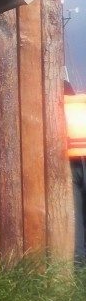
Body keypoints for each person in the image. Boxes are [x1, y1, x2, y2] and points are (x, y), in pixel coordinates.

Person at [64, 82, 86, 261]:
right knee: (76, 222)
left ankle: (79, 272)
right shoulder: (63, 85)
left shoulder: (59, 85)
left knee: (76, 222)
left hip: (69, 161)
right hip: (69, 163)